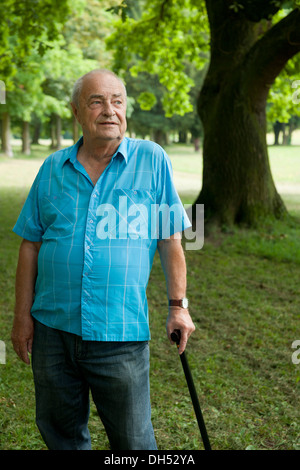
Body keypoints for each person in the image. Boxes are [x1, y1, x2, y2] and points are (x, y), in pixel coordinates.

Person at [11, 69, 195, 450]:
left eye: (117, 101)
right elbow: (30, 244)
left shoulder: (151, 160)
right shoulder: (52, 169)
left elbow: (170, 238)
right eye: (96, 101)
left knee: (134, 443)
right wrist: (21, 317)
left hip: (120, 334)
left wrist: (178, 306)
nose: (109, 110)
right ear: (77, 111)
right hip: (52, 331)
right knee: (61, 437)